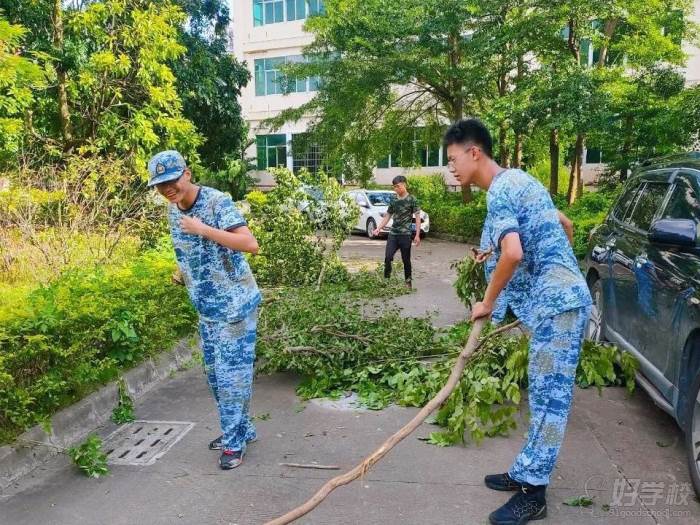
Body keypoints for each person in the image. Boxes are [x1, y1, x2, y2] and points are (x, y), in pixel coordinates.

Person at [444, 120, 591, 525]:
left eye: (453, 159)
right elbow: (564, 224)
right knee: (542, 394)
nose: (451, 168)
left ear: (475, 152)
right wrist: (559, 266)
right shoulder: (519, 181)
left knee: (548, 400)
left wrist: (487, 303)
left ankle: (534, 495)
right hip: (559, 298)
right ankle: (526, 470)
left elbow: (512, 253)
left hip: (558, 306)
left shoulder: (501, 192)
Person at [147, 150, 262, 470]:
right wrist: (182, 272)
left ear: (186, 173)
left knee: (231, 379)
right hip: (207, 308)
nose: (168, 189)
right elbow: (189, 250)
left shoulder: (216, 202)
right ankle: (241, 428)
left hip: (235, 306)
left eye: (171, 181)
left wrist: (203, 229)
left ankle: (234, 441)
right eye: (160, 185)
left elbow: (249, 244)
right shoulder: (174, 211)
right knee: (214, 376)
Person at [372, 175, 422, 288]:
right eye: (394, 187)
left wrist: (417, 235)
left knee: (406, 260)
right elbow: (388, 215)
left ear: (404, 185)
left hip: (405, 235)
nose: (396, 189)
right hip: (393, 234)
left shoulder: (412, 199)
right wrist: (378, 228)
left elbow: (417, 217)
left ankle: (408, 282)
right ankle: (386, 280)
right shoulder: (394, 200)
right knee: (388, 257)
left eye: (398, 186)